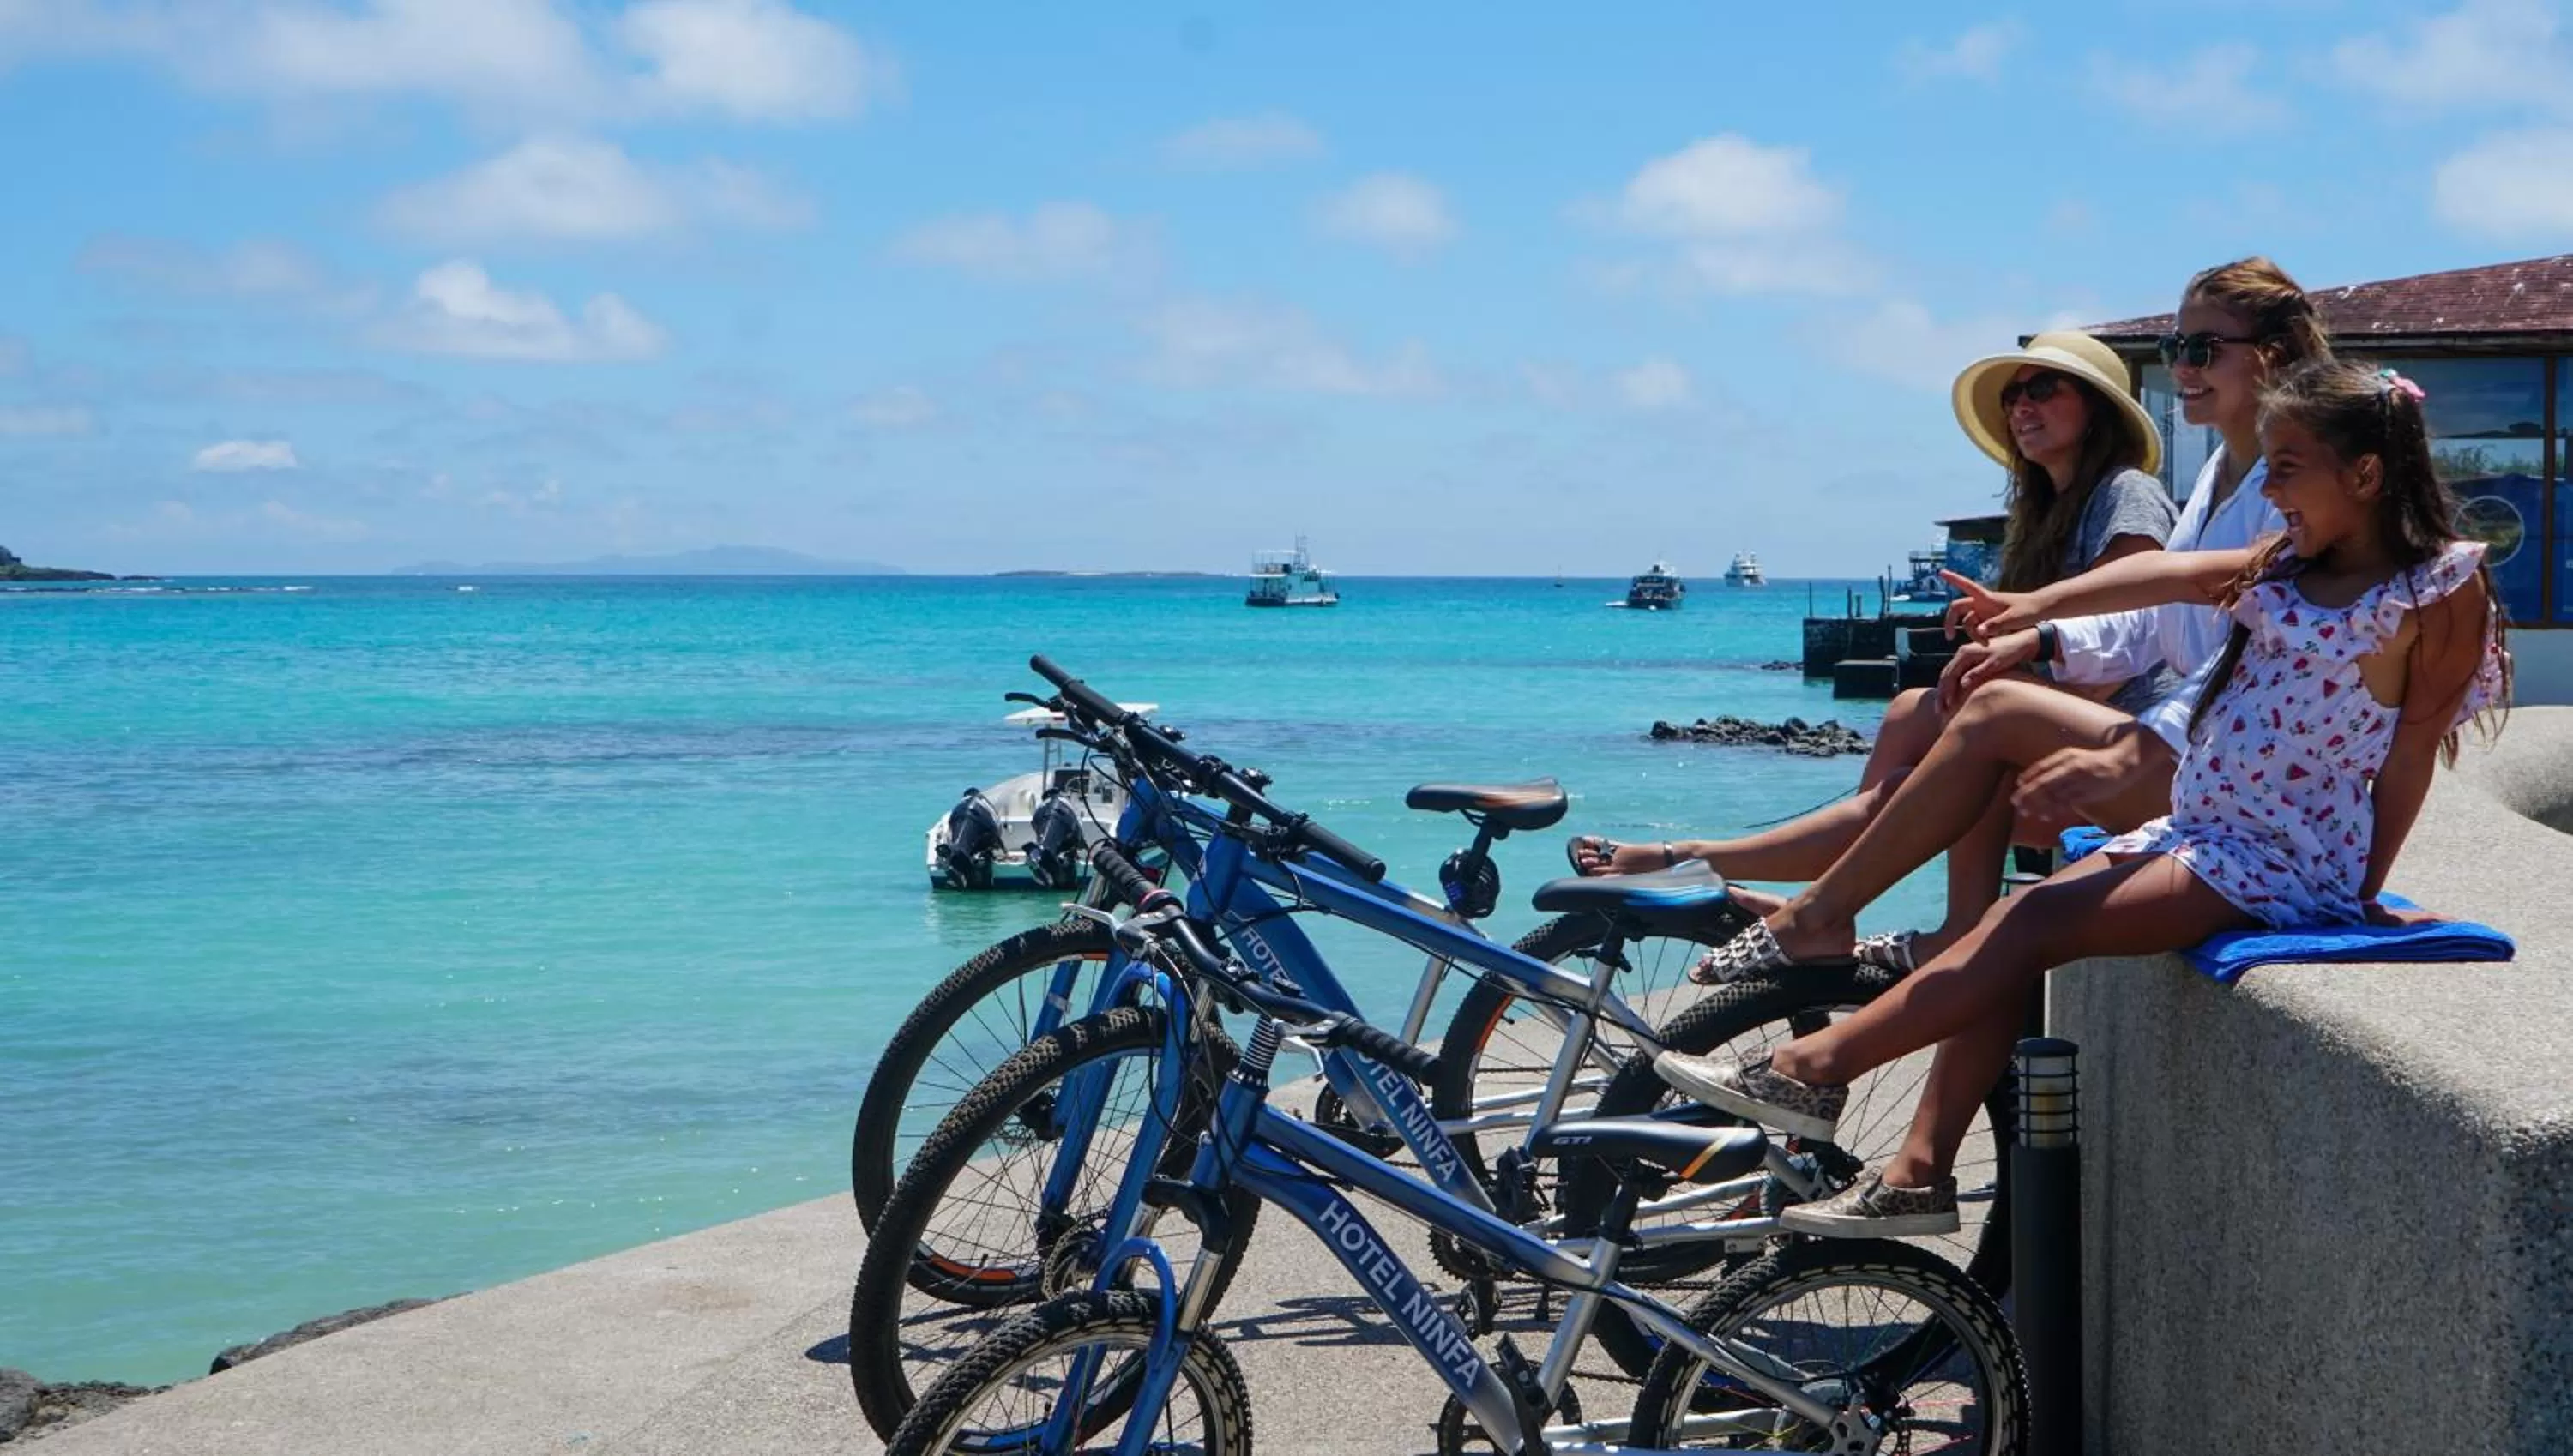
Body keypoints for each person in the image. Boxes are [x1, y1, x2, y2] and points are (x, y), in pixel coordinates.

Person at [1654, 358, 2510, 1236]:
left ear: (2365, 475)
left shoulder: (2435, 591)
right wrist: (2033, 607)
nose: (2273, 487)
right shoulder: (2288, 562)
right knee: (2000, 928)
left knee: (2029, 925)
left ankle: (1812, 1067)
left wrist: (2360, 894)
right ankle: (1917, 1173)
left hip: (2279, 860)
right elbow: (2159, 580)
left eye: (2288, 467)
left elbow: (2409, 758)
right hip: (2203, 828)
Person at [1610, 259, 2332, 980]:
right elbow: (2137, 623)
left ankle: (1734, 874)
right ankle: (1832, 904)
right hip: (2129, 726)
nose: (2023, 407)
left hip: (2154, 737)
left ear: (2096, 409)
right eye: (2015, 395)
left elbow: (2144, 635)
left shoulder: (2134, 497)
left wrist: (2025, 647)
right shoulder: (2137, 493)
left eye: (2044, 389)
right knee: (1913, 714)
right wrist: (2021, 643)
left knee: (1946, 762)